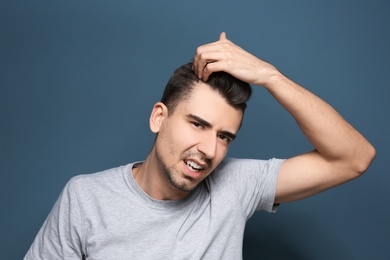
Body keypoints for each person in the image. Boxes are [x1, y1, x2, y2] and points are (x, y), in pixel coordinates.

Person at [25, 32, 375, 259]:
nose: (210, 150)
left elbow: (355, 157)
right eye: (198, 124)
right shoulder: (86, 199)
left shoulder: (236, 186)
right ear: (158, 117)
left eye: (224, 136)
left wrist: (271, 76)